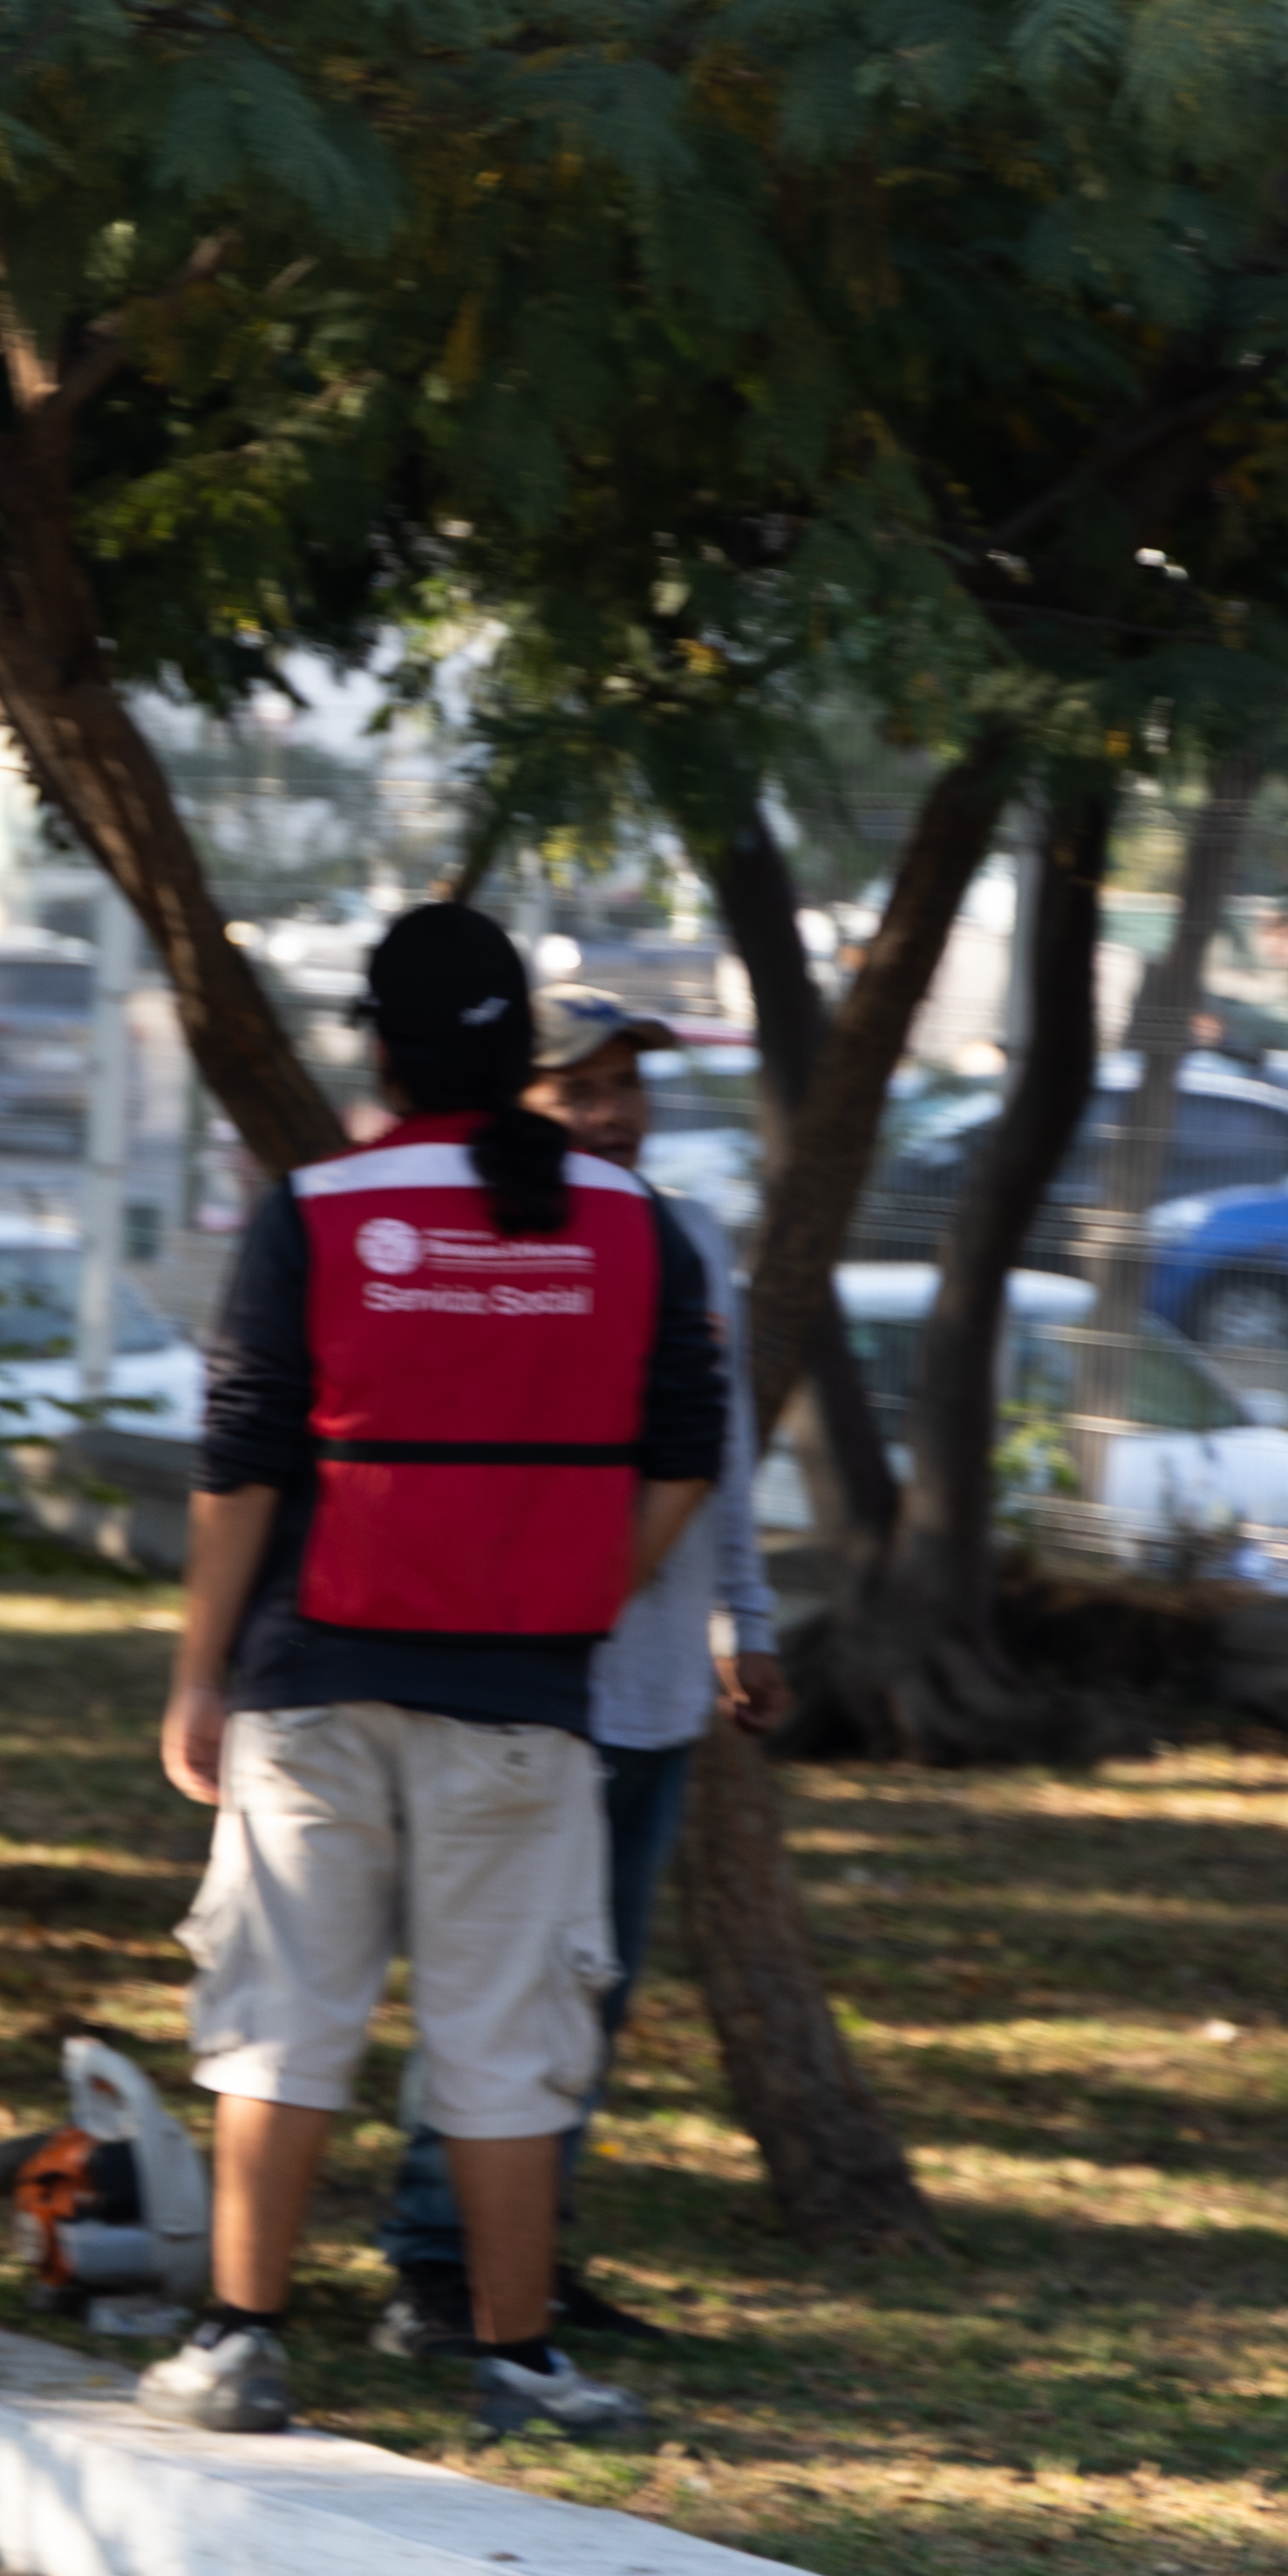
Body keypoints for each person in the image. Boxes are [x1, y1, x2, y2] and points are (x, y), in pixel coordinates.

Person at [149, 906, 725, 2445]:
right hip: (526, 1701)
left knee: (283, 2011)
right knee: (506, 2033)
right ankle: (516, 2356)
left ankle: (238, 2337)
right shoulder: (631, 1223)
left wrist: (197, 1672)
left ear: (384, 1049)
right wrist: (582, 1585)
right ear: (513, 1045)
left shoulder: (317, 1208)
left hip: (312, 1686)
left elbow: (242, 1464)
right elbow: (687, 1449)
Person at [361, 987, 786, 2361]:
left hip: (650, 1687)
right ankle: (435, 2266)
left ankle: (522, 2268)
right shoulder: (469, 1235)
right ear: (509, 1103)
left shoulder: (684, 1239)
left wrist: (745, 1615)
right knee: (494, 1975)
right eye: (576, 1093)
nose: (612, 1116)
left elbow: (712, 1446)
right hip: (503, 1679)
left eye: (626, 1089)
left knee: (588, 1987)